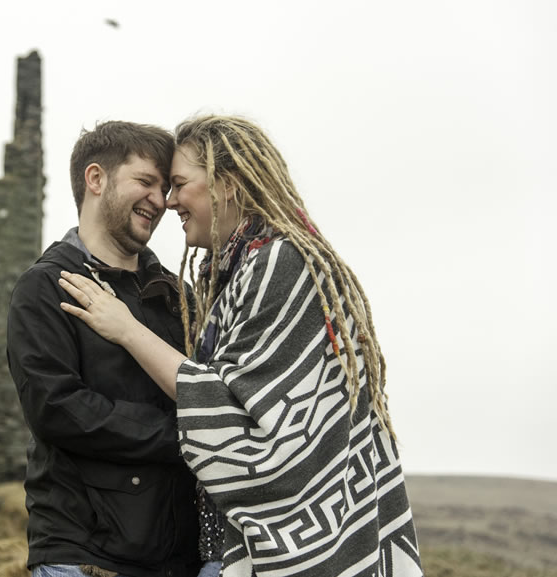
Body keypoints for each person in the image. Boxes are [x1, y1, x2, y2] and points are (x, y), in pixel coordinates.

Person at [58, 115, 423, 577]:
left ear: (227, 184)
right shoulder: (229, 274)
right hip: (230, 545)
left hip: (291, 552)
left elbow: (238, 412)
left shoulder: (281, 264)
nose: (169, 202)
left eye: (179, 184)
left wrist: (128, 329)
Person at [7, 121, 201, 577]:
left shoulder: (179, 296)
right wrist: (190, 435)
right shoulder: (44, 287)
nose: (161, 200)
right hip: (83, 556)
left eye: (167, 186)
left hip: (178, 560)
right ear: (96, 179)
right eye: (146, 182)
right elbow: (56, 407)